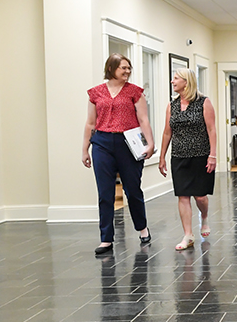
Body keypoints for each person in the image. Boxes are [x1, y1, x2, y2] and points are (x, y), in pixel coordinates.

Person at [82, 53, 154, 255]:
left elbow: (143, 119)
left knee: (132, 189)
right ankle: (106, 239)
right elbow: (90, 123)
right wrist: (84, 149)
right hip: (102, 143)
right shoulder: (96, 93)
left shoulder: (135, 92)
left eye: (129, 68)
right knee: (105, 193)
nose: (127, 71)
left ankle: (142, 228)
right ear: (111, 68)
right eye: (123, 67)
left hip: (128, 143)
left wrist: (150, 143)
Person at [158, 68, 217, 251]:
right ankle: (188, 235)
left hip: (200, 155)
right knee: (183, 195)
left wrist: (213, 155)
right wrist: (162, 157)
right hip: (179, 156)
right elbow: (168, 132)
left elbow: (212, 129)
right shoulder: (172, 105)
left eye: (175, 78)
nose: (172, 81)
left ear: (186, 81)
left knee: (200, 196)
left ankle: (204, 217)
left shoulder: (203, 103)